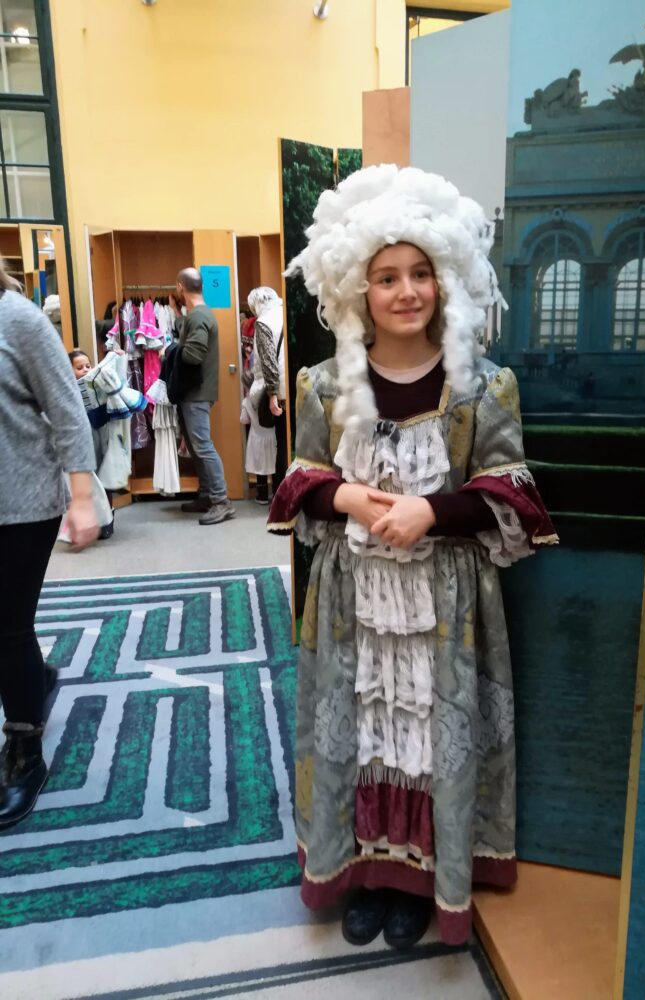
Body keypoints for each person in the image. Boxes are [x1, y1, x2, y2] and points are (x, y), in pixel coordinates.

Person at [267, 166, 557, 949]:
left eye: (420, 274)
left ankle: (424, 880)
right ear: (357, 287)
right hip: (352, 598)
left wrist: (434, 509)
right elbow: (299, 483)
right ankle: (366, 872)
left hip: (445, 604)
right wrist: (351, 499)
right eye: (386, 276)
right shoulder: (325, 384)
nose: (405, 292)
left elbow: (513, 492)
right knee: (357, 728)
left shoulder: (482, 387)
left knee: (431, 737)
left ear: (445, 280)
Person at [0, 259, 99, 830]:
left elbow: (68, 412)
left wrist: (82, 498)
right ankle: (33, 678)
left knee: (7, 627)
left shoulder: (19, 320)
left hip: (20, 505)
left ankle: (23, 752)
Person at [170, 267, 236, 525]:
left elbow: (192, 355)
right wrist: (178, 315)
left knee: (204, 447)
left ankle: (221, 501)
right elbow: (191, 334)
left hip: (197, 394)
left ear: (179, 287)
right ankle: (208, 496)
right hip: (195, 393)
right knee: (199, 447)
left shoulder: (198, 317)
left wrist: (172, 352)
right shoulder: (197, 315)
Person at [68, 349, 115, 539]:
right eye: (80, 368)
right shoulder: (69, 390)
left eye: (88, 366)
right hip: (84, 438)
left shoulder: (98, 382)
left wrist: (115, 356)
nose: (86, 370)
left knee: (105, 477)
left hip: (101, 431)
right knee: (91, 478)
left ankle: (108, 519)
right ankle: (93, 519)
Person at [247, 287, 287, 503]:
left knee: (282, 444)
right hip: (299, 383)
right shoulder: (286, 312)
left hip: (280, 391)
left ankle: (281, 496)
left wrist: (272, 394)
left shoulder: (264, 322)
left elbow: (269, 361)